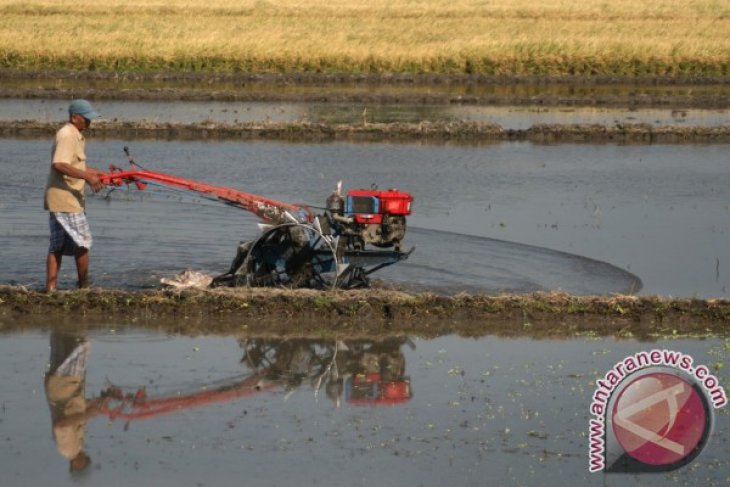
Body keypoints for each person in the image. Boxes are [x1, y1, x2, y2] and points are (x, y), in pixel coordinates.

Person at [44, 99, 106, 292]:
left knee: (58, 245)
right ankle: (83, 286)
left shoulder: (76, 135)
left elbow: (75, 166)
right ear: (74, 117)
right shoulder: (67, 135)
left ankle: (51, 289)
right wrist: (88, 177)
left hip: (62, 197)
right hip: (66, 199)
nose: (89, 122)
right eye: (86, 118)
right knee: (83, 242)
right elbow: (59, 164)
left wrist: (100, 174)